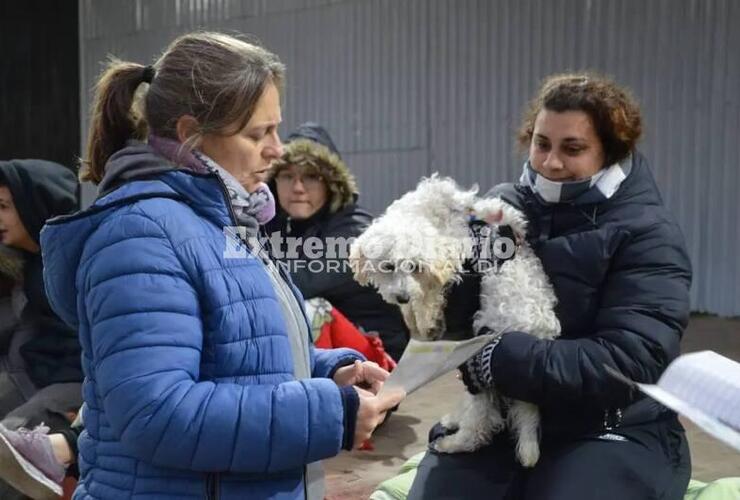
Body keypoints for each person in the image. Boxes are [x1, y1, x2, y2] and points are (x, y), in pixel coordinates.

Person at [38, 32, 404, 500]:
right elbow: (157, 414)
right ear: (192, 133)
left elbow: (243, 353)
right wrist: (330, 412)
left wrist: (330, 371)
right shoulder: (140, 235)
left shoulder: (228, 219)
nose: (277, 149)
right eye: (258, 134)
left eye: (276, 129)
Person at [408, 73, 692, 500]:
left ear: (612, 151)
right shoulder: (501, 212)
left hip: (610, 426)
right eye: (542, 144)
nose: (551, 162)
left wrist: (500, 358)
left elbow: (631, 360)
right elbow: (460, 321)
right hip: (504, 418)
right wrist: (434, 279)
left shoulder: (647, 233)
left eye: (572, 148)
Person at [265, 122, 409, 361]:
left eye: (311, 177)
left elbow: (294, 282)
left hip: (375, 357)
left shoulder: (355, 231)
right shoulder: (279, 226)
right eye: (287, 176)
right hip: (327, 356)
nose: (298, 188)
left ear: (331, 184)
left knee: (307, 308)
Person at [0, 160, 83, 500]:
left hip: (76, 383)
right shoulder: (23, 265)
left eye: (4, 207)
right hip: (36, 375)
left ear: (32, 203)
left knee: (9, 445)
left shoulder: (71, 264)